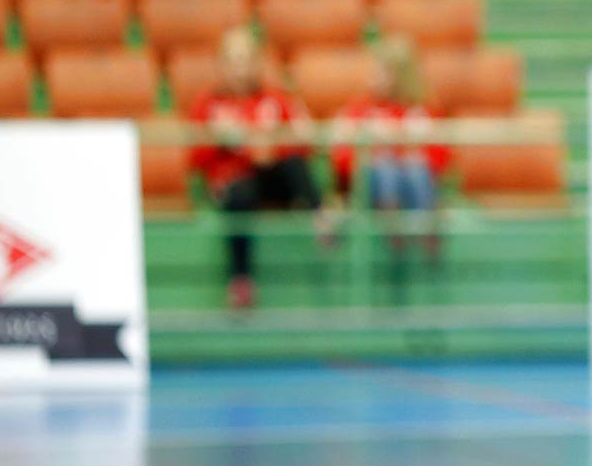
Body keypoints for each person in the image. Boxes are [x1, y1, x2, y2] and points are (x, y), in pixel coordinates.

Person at [188, 29, 323, 312]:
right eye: (233, 61)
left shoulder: (275, 99)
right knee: (240, 194)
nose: (240, 69)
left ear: (256, 64)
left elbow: (305, 140)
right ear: (221, 65)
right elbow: (195, 157)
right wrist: (221, 140)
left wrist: (272, 147)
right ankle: (241, 279)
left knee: (294, 165)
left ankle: (322, 217)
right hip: (234, 184)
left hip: (271, 176)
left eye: (246, 60)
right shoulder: (208, 104)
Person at [330, 37, 448, 295]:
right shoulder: (360, 109)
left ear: (400, 76)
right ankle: (393, 230)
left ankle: (426, 233)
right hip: (371, 189)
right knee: (385, 166)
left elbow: (440, 157)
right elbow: (341, 155)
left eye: (381, 73)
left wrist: (406, 152)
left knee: (415, 169)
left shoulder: (422, 110)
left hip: (414, 187)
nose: (373, 78)